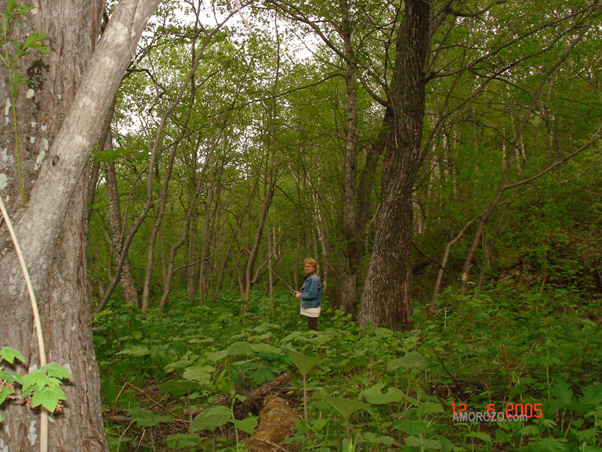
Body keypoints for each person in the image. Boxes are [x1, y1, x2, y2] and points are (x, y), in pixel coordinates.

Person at [294, 258, 322, 331]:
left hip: (312, 309)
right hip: (310, 308)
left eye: (309, 266)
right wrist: (300, 293)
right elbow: (309, 292)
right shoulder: (310, 278)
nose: (306, 268)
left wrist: (300, 295)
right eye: (305, 266)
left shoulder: (314, 279)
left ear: (314, 268)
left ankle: (315, 342)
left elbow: (312, 295)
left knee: (313, 331)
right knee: (311, 329)